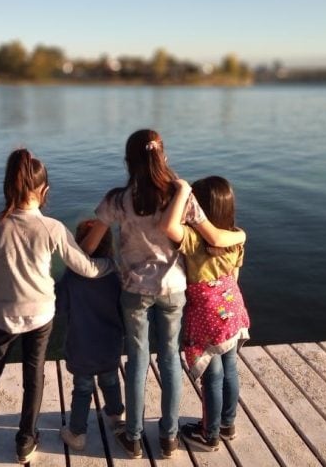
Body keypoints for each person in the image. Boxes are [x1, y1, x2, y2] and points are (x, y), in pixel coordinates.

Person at [80, 129, 247, 459]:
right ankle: (169, 438)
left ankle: (134, 437)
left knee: (139, 362)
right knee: (170, 359)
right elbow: (213, 236)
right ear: (163, 157)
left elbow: (88, 246)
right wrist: (241, 235)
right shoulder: (180, 197)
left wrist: (93, 260)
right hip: (174, 290)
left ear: (129, 162)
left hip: (134, 292)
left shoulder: (116, 200)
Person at [0, 149, 115, 466]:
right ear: (44, 191)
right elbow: (86, 269)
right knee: (33, 376)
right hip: (41, 315)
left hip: (4, 316)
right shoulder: (52, 228)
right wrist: (110, 264)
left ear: (8, 186)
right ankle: (25, 441)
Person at [160, 176, 250, 452]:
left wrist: (181, 194)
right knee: (230, 367)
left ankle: (209, 434)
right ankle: (227, 423)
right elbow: (235, 273)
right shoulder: (235, 236)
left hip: (208, 315)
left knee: (213, 375)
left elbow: (169, 227)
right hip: (233, 307)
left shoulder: (193, 238)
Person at [56, 220, 125, 451]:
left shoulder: (72, 278)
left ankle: (77, 433)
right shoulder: (116, 274)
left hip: (81, 345)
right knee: (111, 380)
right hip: (110, 344)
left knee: (83, 388)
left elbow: (60, 307)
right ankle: (116, 416)